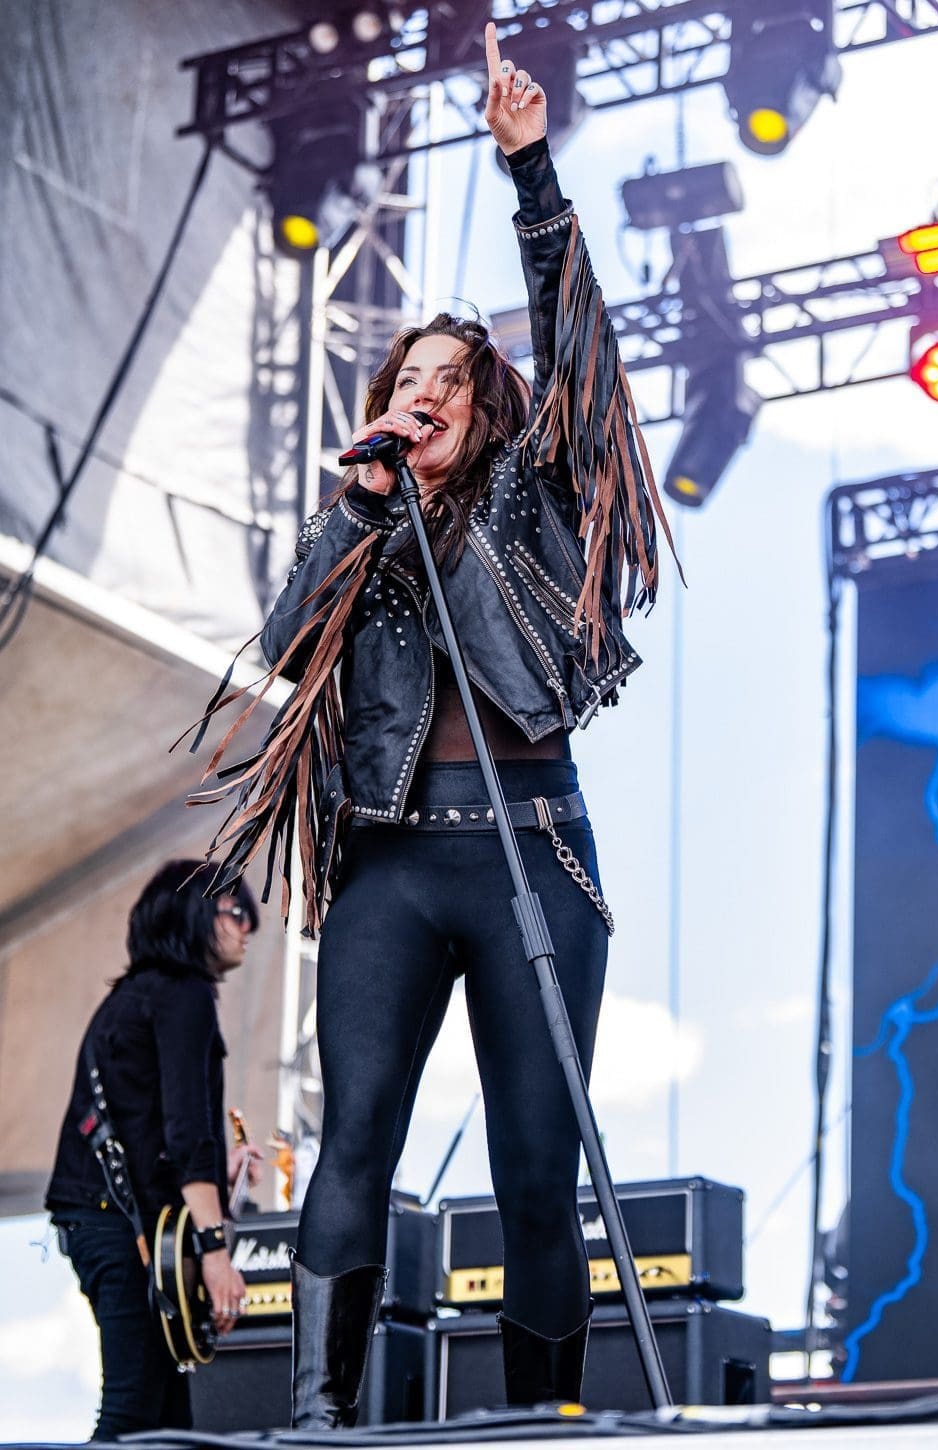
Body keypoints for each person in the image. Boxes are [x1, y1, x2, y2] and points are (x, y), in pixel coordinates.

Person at [195, 21, 677, 1428]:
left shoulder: (528, 493)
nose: (425, 395)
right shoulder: (363, 517)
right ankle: (324, 1410)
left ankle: (542, 1412)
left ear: (491, 406)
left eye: (450, 380)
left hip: (531, 843)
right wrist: (357, 506)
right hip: (395, 860)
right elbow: (286, 646)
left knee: (537, 1158)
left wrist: (532, 176)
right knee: (353, 1139)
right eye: (409, 379)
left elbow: (581, 354)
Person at [46, 860, 264, 1439]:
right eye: (237, 911)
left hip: (104, 1217)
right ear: (194, 913)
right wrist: (215, 1254)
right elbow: (185, 1130)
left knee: (169, 1423)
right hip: (118, 1225)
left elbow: (149, 1128)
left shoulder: (136, 996)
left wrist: (221, 1168)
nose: (248, 928)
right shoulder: (184, 994)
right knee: (133, 1411)